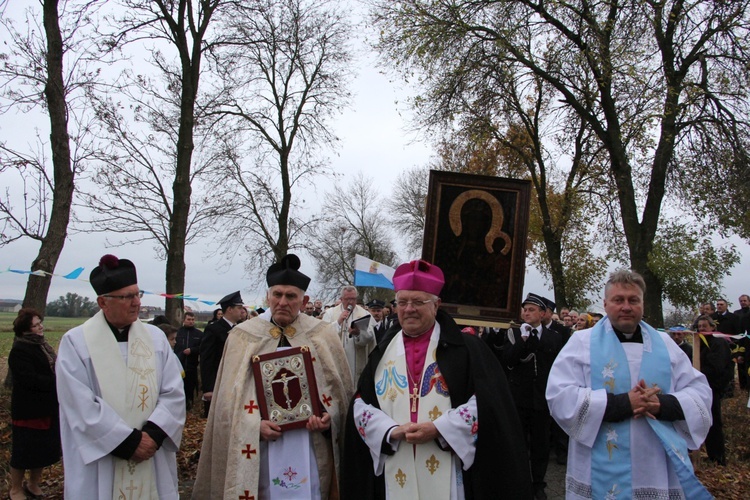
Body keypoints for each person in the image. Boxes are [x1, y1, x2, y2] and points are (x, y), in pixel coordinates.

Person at [341, 259, 532, 499]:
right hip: (396, 465)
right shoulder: (383, 350)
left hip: (449, 463)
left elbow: (490, 404)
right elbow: (360, 404)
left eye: (418, 302)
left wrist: (440, 428)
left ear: (436, 304)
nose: (409, 308)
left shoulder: (467, 348)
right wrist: (390, 431)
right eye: (402, 302)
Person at [192, 254, 353, 499]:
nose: (282, 302)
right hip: (260, 447)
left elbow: (341, 395)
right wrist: (254, 426)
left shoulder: (321, 335)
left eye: (291, 296)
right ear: (268, 296)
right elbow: (227, 403)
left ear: (304, 299)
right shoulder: (243, 336)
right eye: (277, 295)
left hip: (309, 444)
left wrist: (328, 417)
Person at [546, 269, 713, 499]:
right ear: (605, 304)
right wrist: (624, 403)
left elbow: (700, 392)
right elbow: (559, 396)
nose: (626, 306)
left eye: (633, 300)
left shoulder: (665, 344)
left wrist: (661, 405)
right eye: (618, 300)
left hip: (655, 465)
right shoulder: (582, 343)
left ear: (642, 304)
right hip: (599, 466)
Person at [56, 254, 185, 499]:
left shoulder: (156, 339)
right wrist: (127, 443)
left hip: (151, 452)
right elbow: (78, 404)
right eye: (127, 297)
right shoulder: (76, 342)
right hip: (104, 458)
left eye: (138, 294)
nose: (137, 302)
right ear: (103, 302)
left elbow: (173, 392)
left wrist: (153, 436)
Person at [503, 293, 567, 499]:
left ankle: (538, 484)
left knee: (541, 445)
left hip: (542, 400)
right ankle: (519, 482)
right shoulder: (513, 334)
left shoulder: (554, 338)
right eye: (525, 310)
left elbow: (559, 368)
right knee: (518, 443)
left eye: (531, 310)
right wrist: (523, 340)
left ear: (543, 313)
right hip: (519, 398)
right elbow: (509, 360)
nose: (527, 313)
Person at [8, 308, 61, 500]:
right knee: (24, 451)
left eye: (40, 323)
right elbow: (28, 379)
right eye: (36, 325)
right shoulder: (19, 350)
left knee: (43, 451)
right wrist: (56, 381)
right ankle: (15, 488)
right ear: (25, 330)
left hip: (47, 407)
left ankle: (33, 483)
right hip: (28, 410)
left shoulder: (43, 345)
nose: (41, 327)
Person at [200, 290, 245, 418]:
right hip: (219, 383)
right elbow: (206, 359)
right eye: (239, 307)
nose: (242, 311)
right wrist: (208, 388)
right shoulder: (214, 329)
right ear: (229, 309)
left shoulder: (241, 329)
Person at [695, 315, 733, 465]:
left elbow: (716, 367)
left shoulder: (718, 342)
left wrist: (697, 373)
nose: (701, 329)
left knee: (714, 422)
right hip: (701, 387)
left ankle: (718, 457)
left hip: (713, 387)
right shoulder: (700, 343)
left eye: (704, 326)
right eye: (699, 326)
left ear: (712, 327)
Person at [320, 285, 375, 384]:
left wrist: (358, 334)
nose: (350, 302)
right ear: (341, 299)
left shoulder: (365, 314)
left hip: (357, 363)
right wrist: (338, 322)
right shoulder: (330, 313)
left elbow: (370, 337)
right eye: (347, 299)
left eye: (353, 299)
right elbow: (323, 335)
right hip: (337, 361)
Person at [175, 311, 203, 410]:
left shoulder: (199, 334)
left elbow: (202, 348)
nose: (191, 322)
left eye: (192, 320)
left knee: (190, 387)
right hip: (179, 365)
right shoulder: (178, 333)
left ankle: (189, 404)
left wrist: (192, 350)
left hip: (192, 366)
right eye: (189, 320)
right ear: (184, 320)